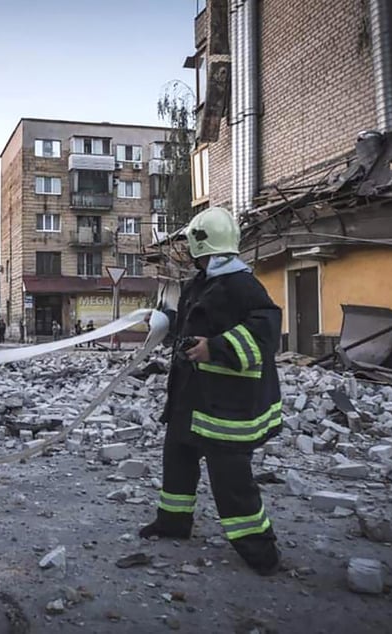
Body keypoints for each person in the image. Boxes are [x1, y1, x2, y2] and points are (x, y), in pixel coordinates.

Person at [139, 206, 283, 577]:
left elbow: (266, 333)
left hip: (224, 406)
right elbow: (188, 325)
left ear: (201, 247)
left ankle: (259, 550)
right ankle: (173, 522)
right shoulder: (200, 284)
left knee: (231, 481)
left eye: (191, 249)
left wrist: (215, 348)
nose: (189, 255)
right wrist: (162, 322)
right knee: (177, 462)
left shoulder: (242, 285)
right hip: (191, 397)